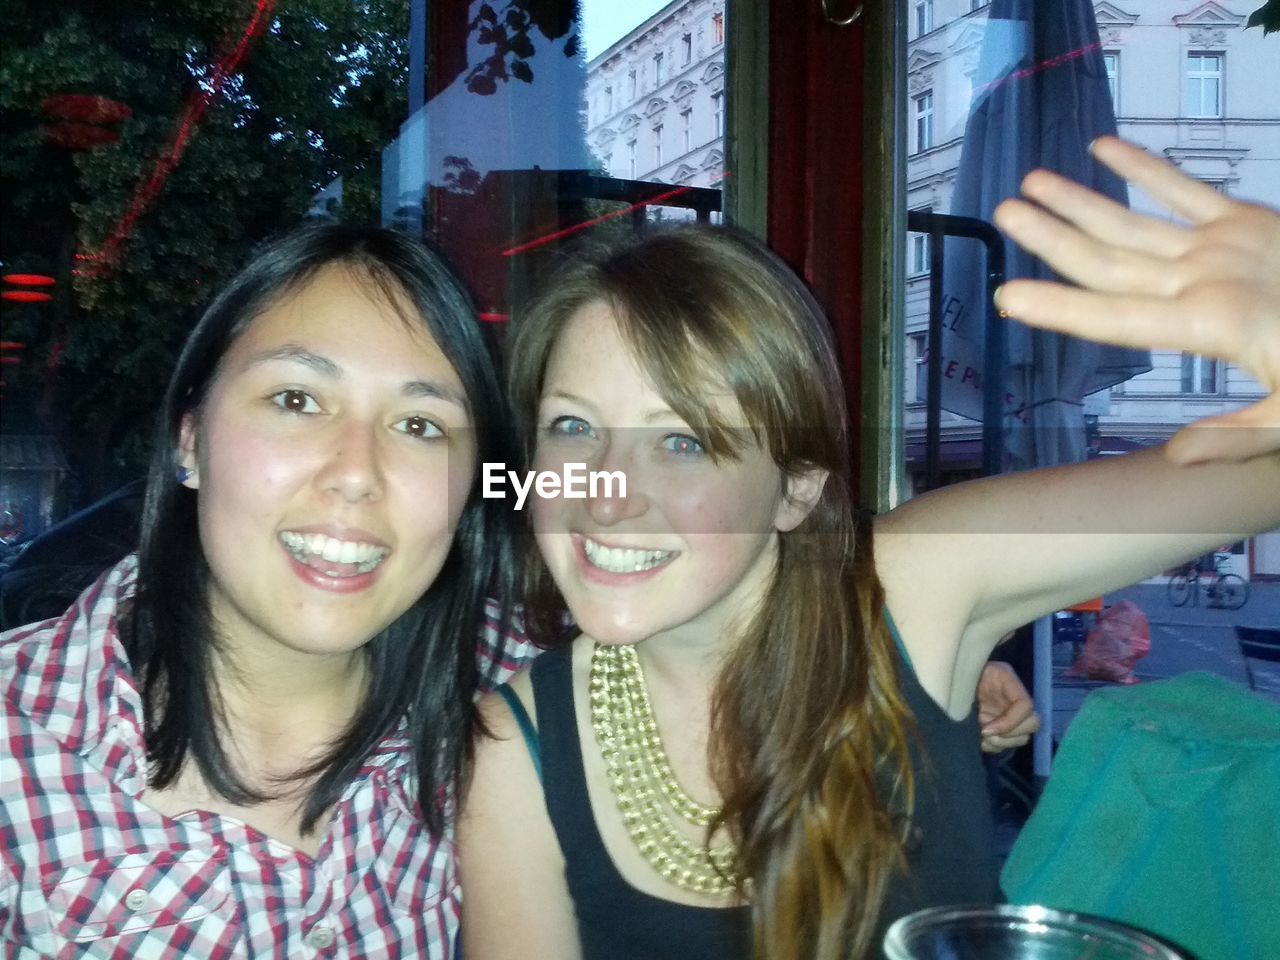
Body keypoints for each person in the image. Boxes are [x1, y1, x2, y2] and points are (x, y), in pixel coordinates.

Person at [457, 136, 1280, 959]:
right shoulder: (510, 750)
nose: (608, 492)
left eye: (683, 442)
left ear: (796, 488)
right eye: (572, 427)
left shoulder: (915, 587)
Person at [0, 225, 536, 956]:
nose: (357, 472)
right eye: (296, 399)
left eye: (419, 424)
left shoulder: (531, 696)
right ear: (190, 438)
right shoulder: (18, 744)